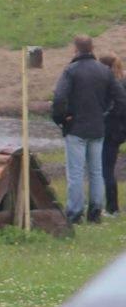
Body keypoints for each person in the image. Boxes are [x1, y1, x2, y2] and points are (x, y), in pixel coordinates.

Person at [52, 36, 126, 224]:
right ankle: (95, 212)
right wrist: (106, 113)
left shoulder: (71, 70)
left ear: (75, 49)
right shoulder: (104, 71)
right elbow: (121, 99)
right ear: (92, 48)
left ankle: (75, 213)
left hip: (76, 127)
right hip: (98, 127)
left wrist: (61, 119)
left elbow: (59, 97)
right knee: (97, 171)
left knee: (76, 172)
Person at [99, 53, 126, 216]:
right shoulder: (122, 81)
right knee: (107, 168)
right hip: (120, 131)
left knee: (106, 169)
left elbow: (117, 107)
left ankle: (112, 207)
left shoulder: (112, 85)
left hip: (111, 130)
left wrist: (105, 116)